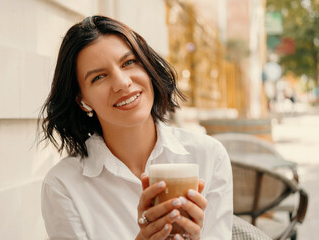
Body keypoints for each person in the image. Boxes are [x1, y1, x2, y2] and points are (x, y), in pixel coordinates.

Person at [38, 15, 233, 240]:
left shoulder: (208, 156)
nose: (122, 82)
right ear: (83, 101)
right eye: (99, 77)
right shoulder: (63, 185)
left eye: (129, 63)